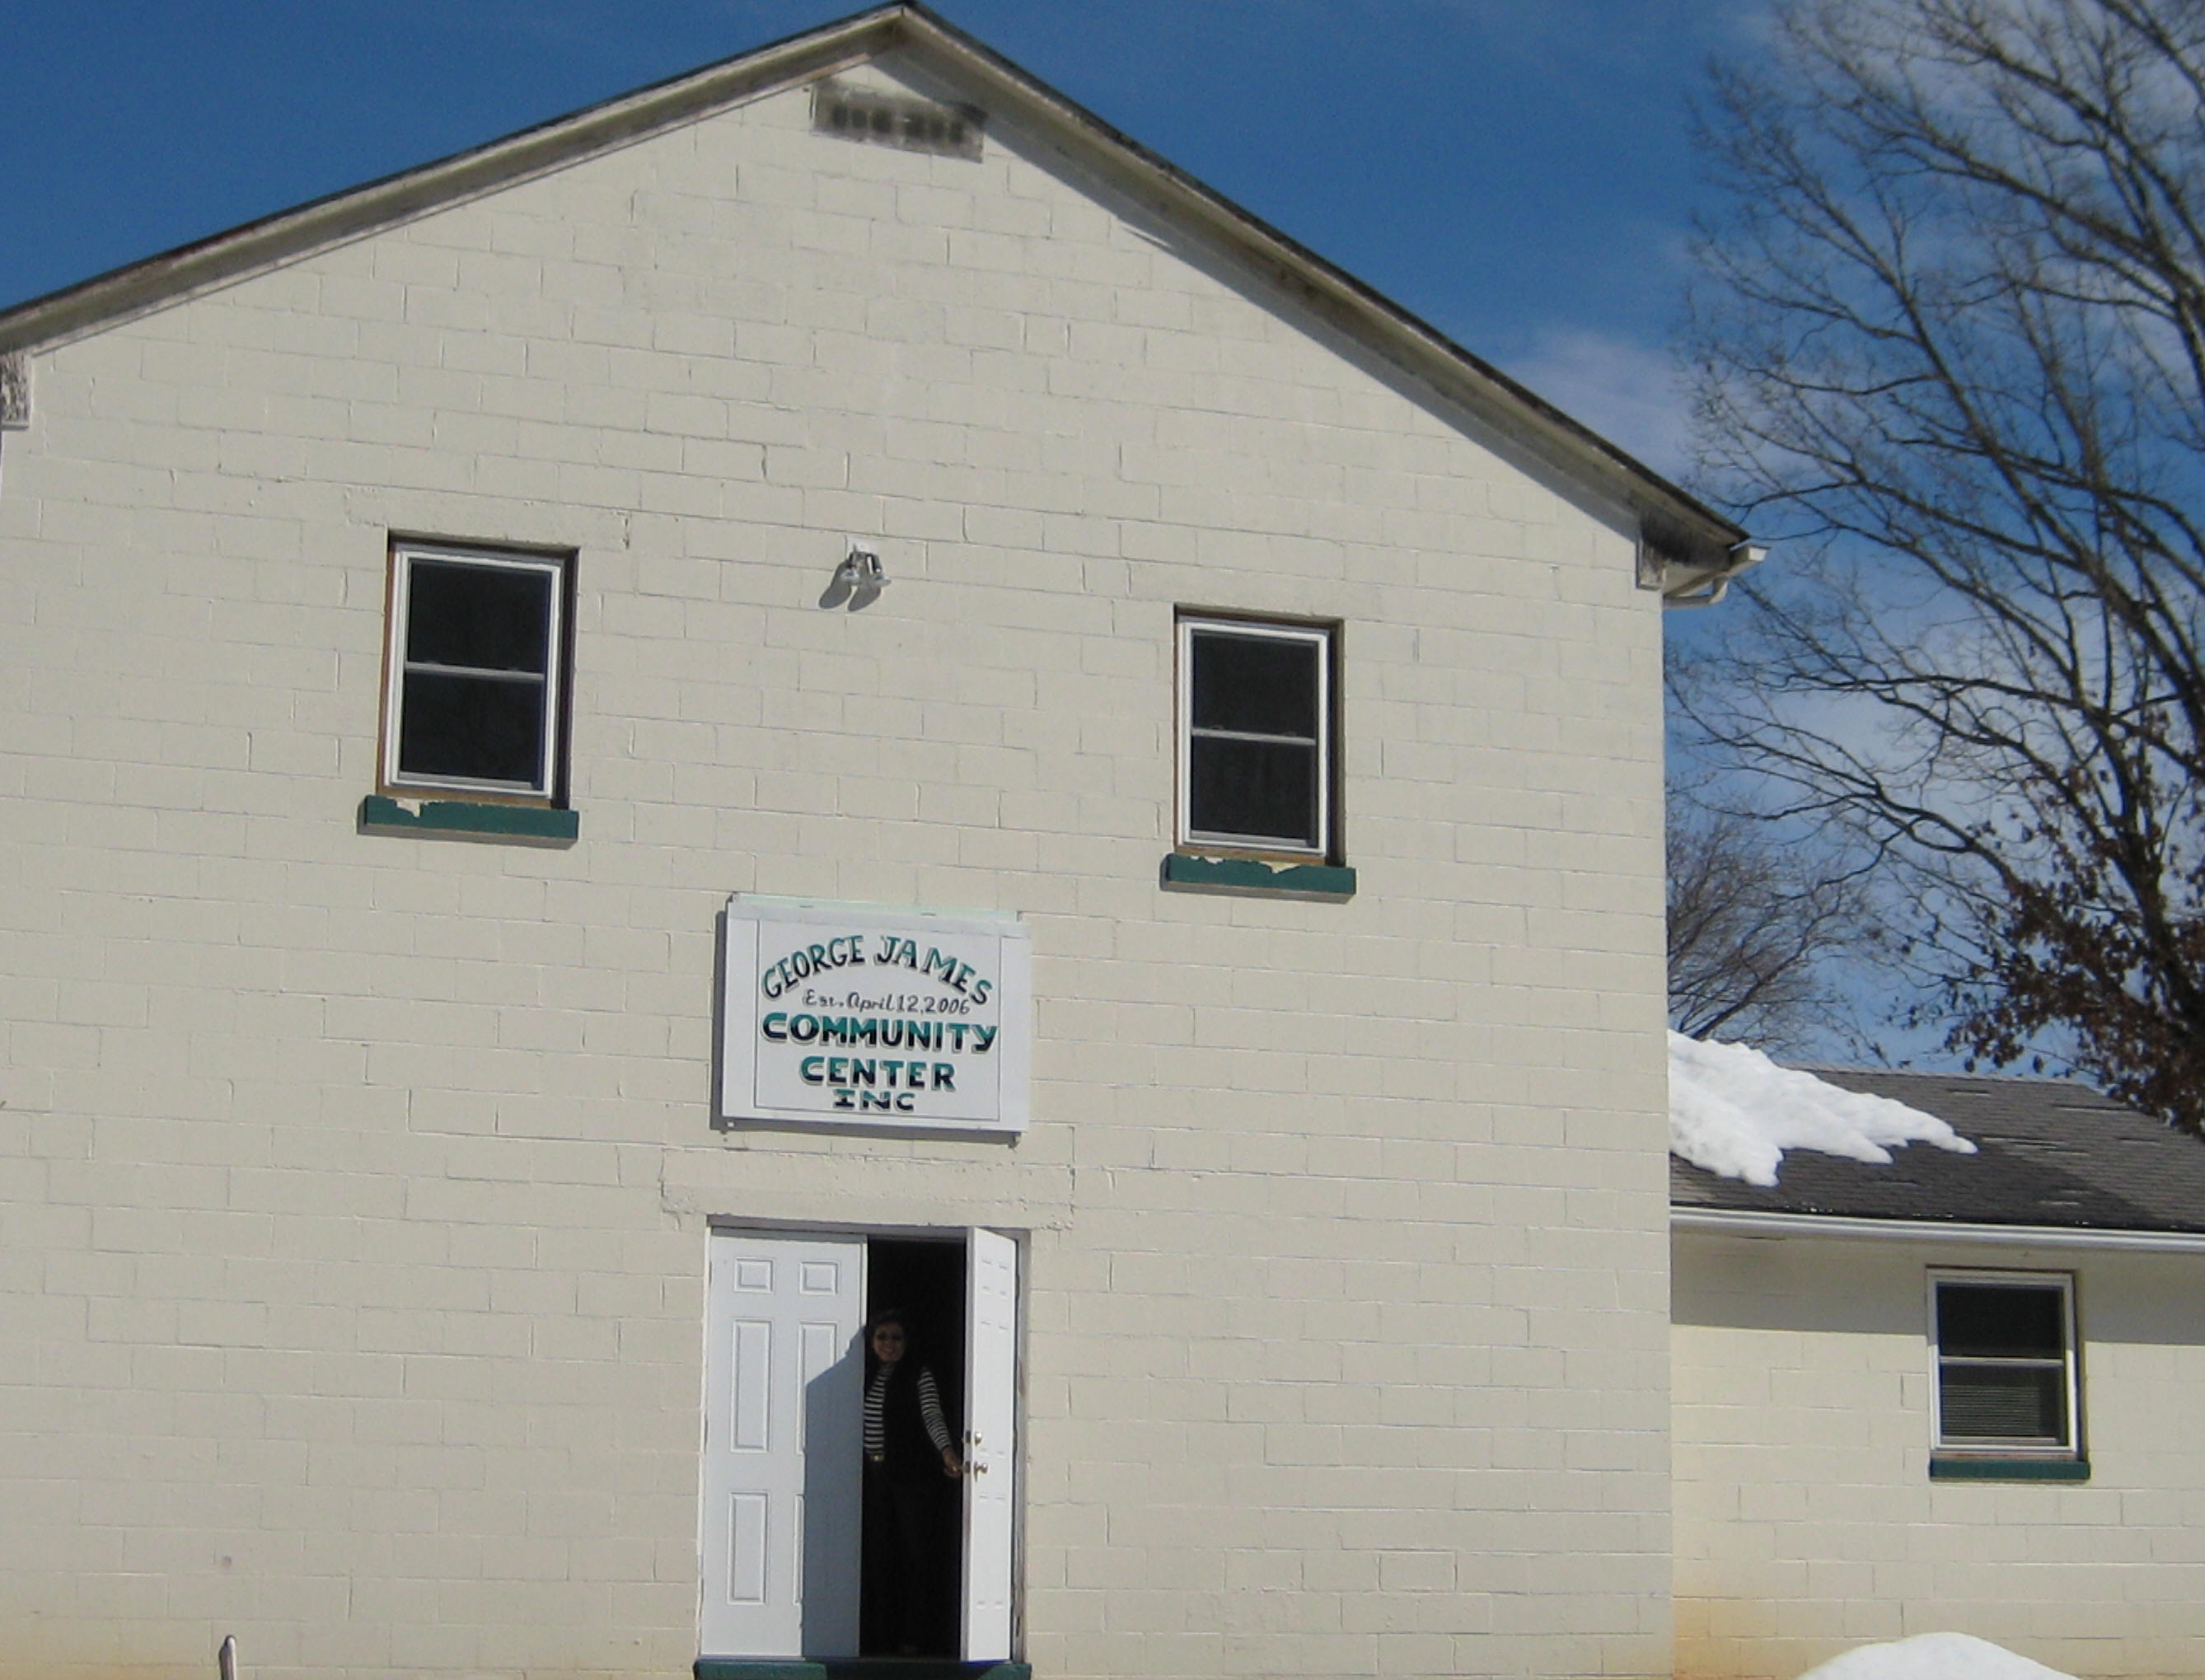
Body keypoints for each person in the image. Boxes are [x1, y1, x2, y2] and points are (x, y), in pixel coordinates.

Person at [859, 1308, 961, 1654]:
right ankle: (878, 1635)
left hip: (910, 1477)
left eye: (896, 1337)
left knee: (913, 1556)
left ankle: (913, 1637)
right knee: (877, 1554)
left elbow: (932, 1416)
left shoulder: (919, 1373)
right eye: (882, 1337)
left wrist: (947, 1452)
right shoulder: (862, 1374)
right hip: (873, 1478)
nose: (889, 1344)